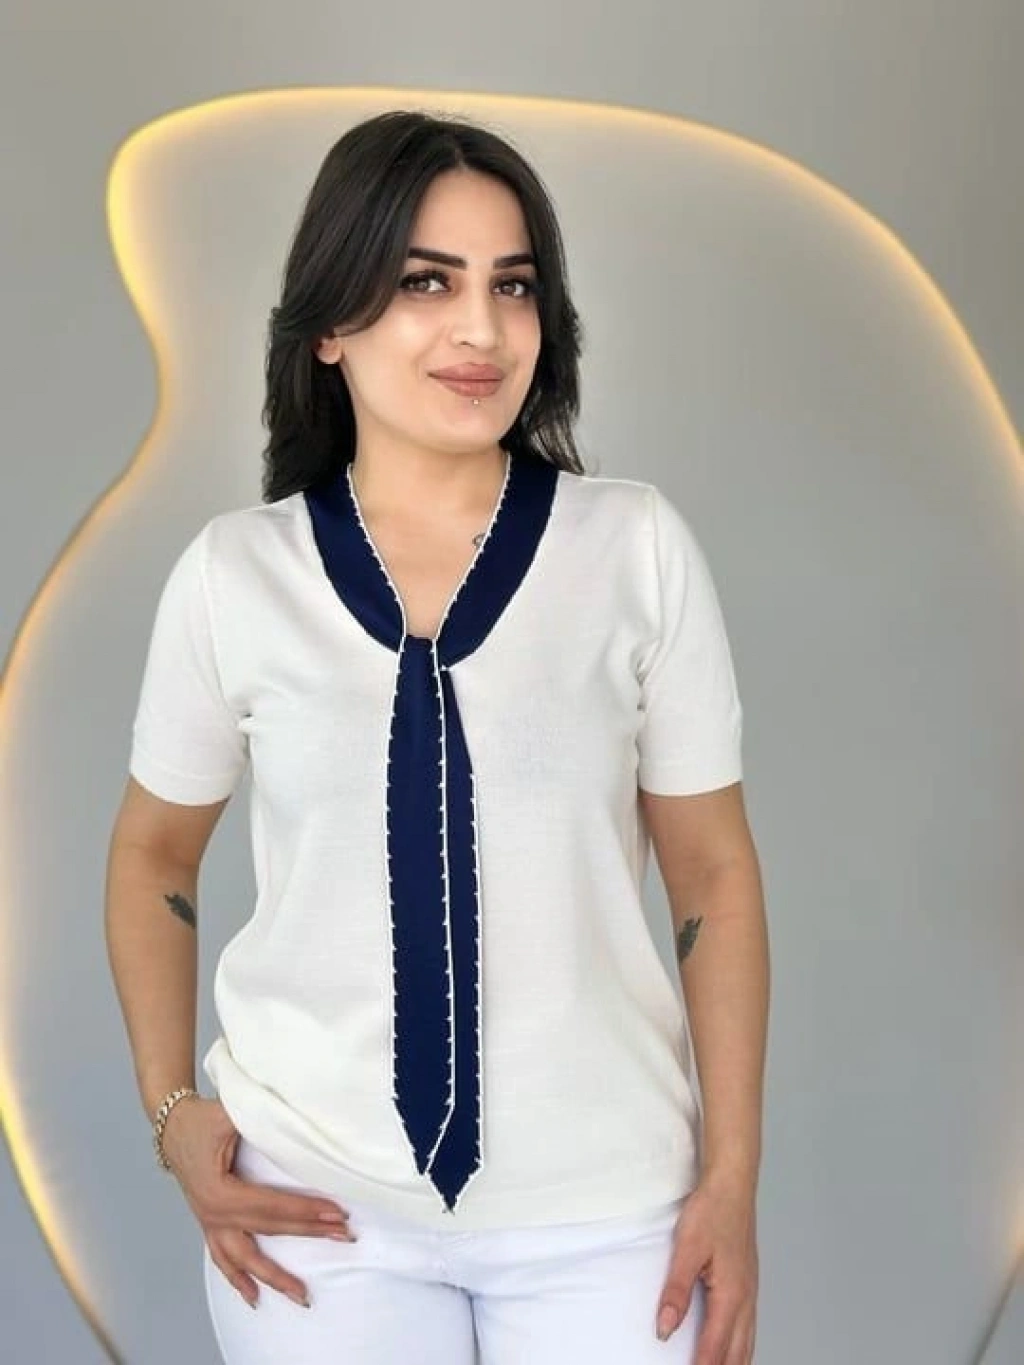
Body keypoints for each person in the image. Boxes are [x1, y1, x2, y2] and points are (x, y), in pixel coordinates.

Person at [105, 108, 768, 1365]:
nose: (481, 330)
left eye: (512, 286)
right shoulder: (235, 577)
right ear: (329, 328)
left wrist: (731, 1179)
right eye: (425, 282)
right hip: (311, 1209)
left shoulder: (633, 550)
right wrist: (171, 1110)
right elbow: (152, 855)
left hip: (608, 1208)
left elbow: (714, 878)